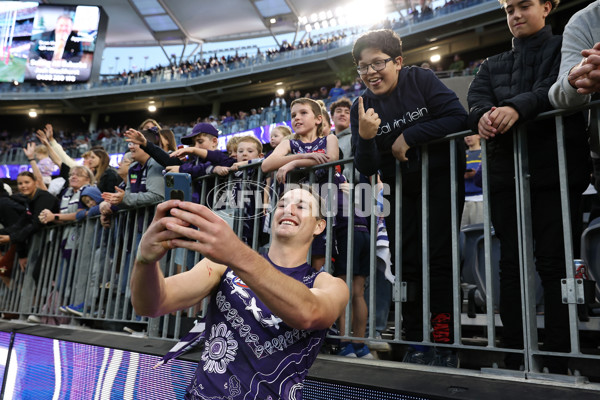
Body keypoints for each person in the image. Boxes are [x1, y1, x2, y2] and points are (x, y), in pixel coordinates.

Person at [130, 187, 349, 399]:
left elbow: (309, 312)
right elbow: (151, 305)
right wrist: (145, 262)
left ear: (319, 226)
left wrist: (236, 253)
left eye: (301, 207)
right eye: (282, 204)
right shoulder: (222, 266)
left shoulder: (328, 284)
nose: (288, 209)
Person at [467, 0, 590, 373]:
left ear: (547, 7)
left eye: (523, 6)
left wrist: (516, 108)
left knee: (555, 263)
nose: (515, 15)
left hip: (556, 173)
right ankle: (516, 354)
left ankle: (559, 356)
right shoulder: (491, 64)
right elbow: (475, 101)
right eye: (508, 10)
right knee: (511, 265)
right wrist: (482, 119)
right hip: (506, 176)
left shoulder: (563, 48)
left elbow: (555, 88)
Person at [350, 29, 467, 367]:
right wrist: (367, 137)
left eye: (378, 63)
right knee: (407, 264)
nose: (370, 72)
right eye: (363, 67)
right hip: (400, 191)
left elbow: (458, 117)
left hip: (440, 181)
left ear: (398, 62)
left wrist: (408, 136)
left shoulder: (420, 80)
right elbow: (365, 165)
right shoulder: (364, 104)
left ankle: (445, 343)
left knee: (440, 261)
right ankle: (417, 340)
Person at [0, 172, 59, 273]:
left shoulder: (44, 198)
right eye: (20, 183)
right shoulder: (29, 200)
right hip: (44, 242)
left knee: (39, 273)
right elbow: (20, 223)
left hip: (55, 241)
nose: (23, 186)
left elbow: (35, 224)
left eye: (27, 182)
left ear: (35, 182)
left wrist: (11, 238)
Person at [548, 0, 600, 109]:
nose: (517, 16)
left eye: (525, 6)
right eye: (510, 11)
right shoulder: (582, 22)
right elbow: (557, 94)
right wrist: (577, 77)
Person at [167, 123, 236, 202]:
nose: (196, 146)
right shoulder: (196, 162)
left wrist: (182, 168)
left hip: (219, 211)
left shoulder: (221, 157)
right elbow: (194, 167)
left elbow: (212, 161)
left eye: (200, 141)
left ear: (214, 141)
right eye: (193, 144)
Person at [330, 97, 356, 182]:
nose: (342, 114)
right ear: (332, 117)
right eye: (338, 111)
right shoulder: (324, 141)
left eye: (347, 112)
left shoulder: (355, 138)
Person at [461, 134, 483, 227]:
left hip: (480, 198)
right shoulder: (463, 154)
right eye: (465, 135)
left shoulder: (484, 151)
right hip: (464, 199)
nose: (467, 137)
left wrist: (477, 174)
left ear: (479, 135)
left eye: (470, 134)